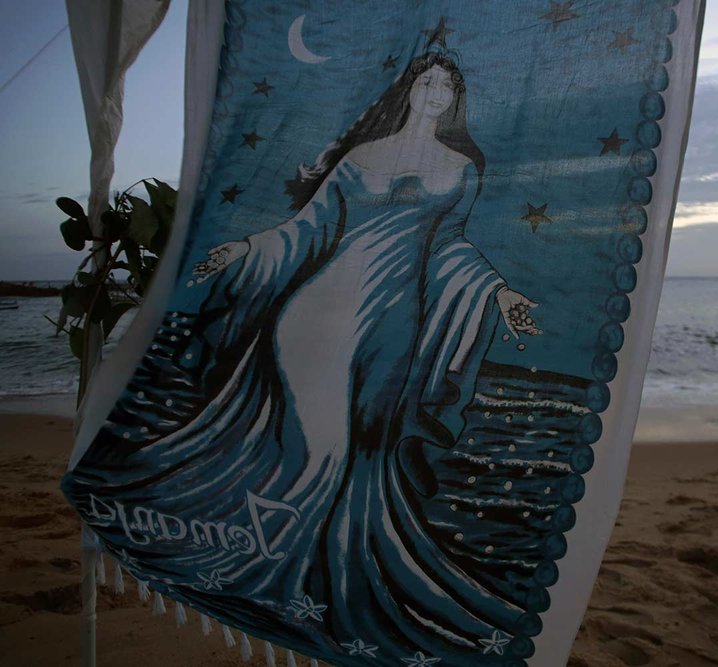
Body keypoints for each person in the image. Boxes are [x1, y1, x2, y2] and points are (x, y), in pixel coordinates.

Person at [80, 49, 545, 662]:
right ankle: (281, 569)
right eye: (427, 80)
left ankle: (301, 562)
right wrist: (246, 247)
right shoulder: (359, 158)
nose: (435, 91)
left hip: (393, 325)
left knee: (357, 445)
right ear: (409, 89)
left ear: (455, 99)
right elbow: (308, 228)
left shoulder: (462, 169)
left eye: (447, 85)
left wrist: (498, 291)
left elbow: (451, 248)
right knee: (319, 439)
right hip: (316, 313)